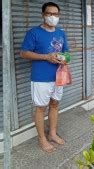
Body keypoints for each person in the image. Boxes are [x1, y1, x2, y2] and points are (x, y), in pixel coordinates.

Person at [20, 2, 69, 153]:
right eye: (49, 14)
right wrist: (46, 57)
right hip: (40, 78)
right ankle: (42, 139)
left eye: (56, 14)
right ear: (43, 15)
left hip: (58, 77)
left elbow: (67, 53)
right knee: (41, 108)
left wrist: (64, 58)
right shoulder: (33, 33)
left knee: (54, 104)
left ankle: (52, 133)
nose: (53, 17)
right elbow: (24, 53)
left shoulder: (61, 33)